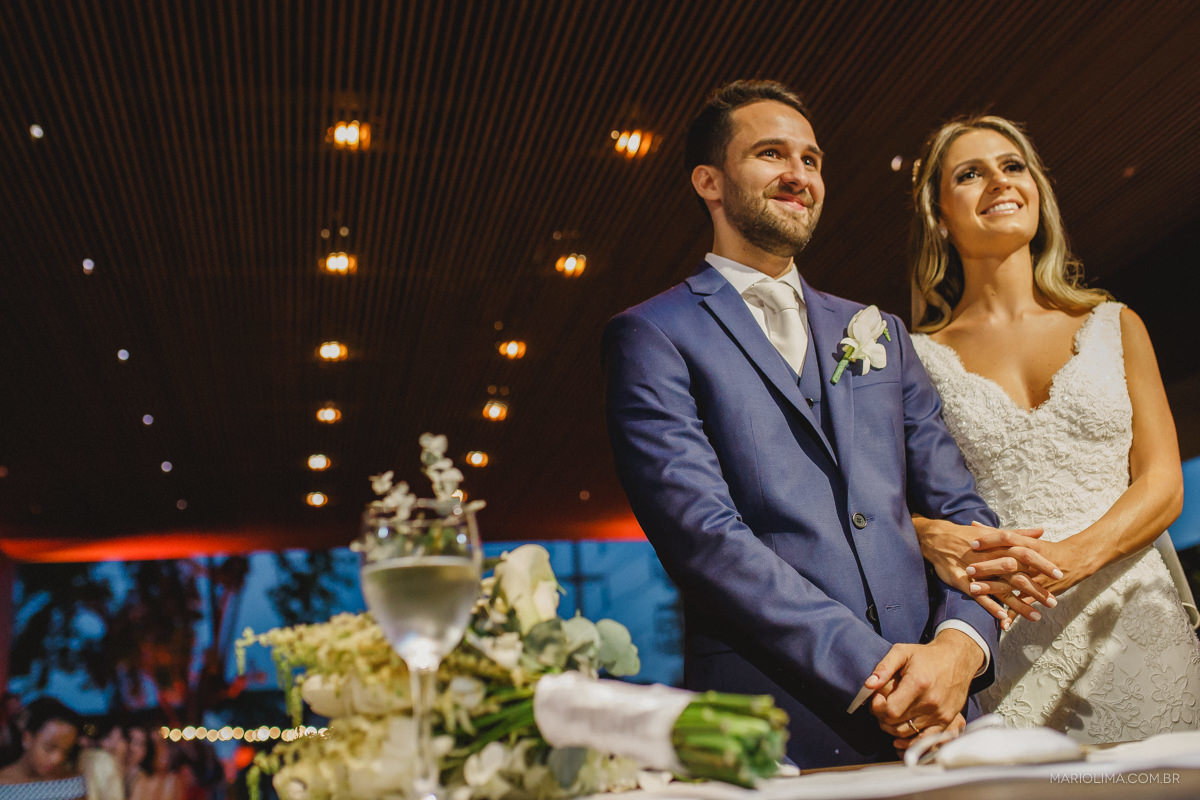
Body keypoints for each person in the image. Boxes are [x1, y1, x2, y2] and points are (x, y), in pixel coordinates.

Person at [603, 79, 1000, 768]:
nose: (799, 175)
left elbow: (962, 514)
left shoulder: (880, 333)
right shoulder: (652, 335)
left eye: (811, 160)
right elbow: (706, 543)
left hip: (944, 717)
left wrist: (959, 650)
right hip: (776, 719)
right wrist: (887, 677)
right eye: (770, 154)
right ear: (710, 181)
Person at [908, 114, 1200, 743]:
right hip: (1000, 639)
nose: (998, 181)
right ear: (939, 212)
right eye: (970, 173)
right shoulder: (913, 357)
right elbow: (882, 504)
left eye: (1013, 166)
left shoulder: (1115, 325)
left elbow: (1163, 483)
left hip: (1133, 625)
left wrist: (1067, 559)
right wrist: (930, 535)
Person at [0, 696, 86, 799]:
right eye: (49, 748)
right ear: (27, 739)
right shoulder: (3, 786)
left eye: (65, 752)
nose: (57, 759)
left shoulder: (70, 786)